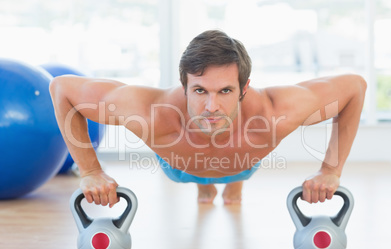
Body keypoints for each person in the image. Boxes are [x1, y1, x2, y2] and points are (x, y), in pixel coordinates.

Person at [50, 30, 366, 207]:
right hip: (179, 166)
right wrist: (91, 171)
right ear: (183, 86)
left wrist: (330, 170)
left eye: (225, 91)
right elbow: (61, 87)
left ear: (245, 87)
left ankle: (232, 185)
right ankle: (205, 187)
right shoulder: (149, 112)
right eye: (200, 90)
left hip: (243, 160)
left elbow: (355, 87)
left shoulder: (277, 111)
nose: (212, 106)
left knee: (236, 175)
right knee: (196, 180)